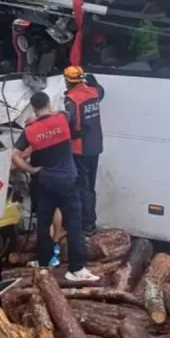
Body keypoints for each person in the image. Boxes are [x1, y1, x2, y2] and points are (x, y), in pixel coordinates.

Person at [12, 91, 99, 282]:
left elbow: (15, 155)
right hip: (67, 180)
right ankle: (76, 269)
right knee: (74, 225)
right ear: (48, 103)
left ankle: (44, 263)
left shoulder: (29, 131)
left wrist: (31, 170)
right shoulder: (62, 119)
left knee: (43, 225)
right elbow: (66, 112)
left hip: (44, 181)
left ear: (33, 107)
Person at [63, 65, 105, 235]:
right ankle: (90, 221)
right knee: (90, 186)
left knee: (82, 187)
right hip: (95, 146)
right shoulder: (93, 92)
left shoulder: (71, 99)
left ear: (67, 81)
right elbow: (101, 91)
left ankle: (86, 224)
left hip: (79, 148)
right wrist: (94, 81)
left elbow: (70, 122)